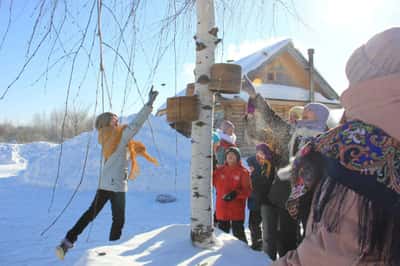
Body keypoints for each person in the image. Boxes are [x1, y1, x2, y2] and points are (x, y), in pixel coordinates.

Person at [273, 27, 400, 266]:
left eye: (310, 113)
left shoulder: (353, 149)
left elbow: (329, 252)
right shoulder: (333, 139)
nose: (303, 116)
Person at [56, 88, 159, 260]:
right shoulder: (118, 137)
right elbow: (135, 126)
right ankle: (113, 256)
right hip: (117, 185)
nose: (118, 123)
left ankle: (67, 242)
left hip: (106, 183)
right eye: (114, 120)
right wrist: (149, 105)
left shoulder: (105, 136)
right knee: (118, 220)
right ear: (107, 122)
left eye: (118, 120)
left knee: (90, 214)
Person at [213, 147, 252, 243]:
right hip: (222, 209)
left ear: (238, 157)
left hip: (236, 210)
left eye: (233, 154)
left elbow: (248, 191)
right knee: (221, 238)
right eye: (228, 155)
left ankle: (246, 256)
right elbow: (211, 182)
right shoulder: (219, 171)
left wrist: (236, 194)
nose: (230, 156)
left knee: (239, 237)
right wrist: (212, 167)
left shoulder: (243, 172)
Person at [246, 143, 275, 251]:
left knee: (266, 226)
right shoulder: (256, 164)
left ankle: (265, 245)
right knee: (253, 224)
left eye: (262, 152)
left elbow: (268, 181)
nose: (260, 155)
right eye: (258, 152)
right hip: (255, 199)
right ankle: (256, 243)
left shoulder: (270, 165)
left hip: (266, 200)